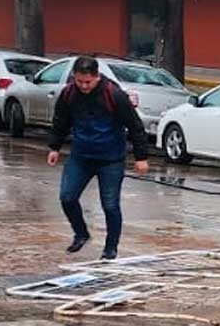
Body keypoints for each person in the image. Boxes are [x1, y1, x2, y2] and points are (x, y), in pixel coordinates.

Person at [46, 56, 149, 260]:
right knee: (67, 197)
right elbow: (61, 121)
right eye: (79, 81)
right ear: (74, 77)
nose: (83, 86)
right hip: (81, 157)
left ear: (97, 77)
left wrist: (141, 157)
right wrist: (54, 147)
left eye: (88, 82)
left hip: (111, 159)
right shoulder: (68, 94)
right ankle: (81, 233)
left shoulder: (114, 95)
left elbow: (135, 126)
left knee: (110, 205)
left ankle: (110, 249)